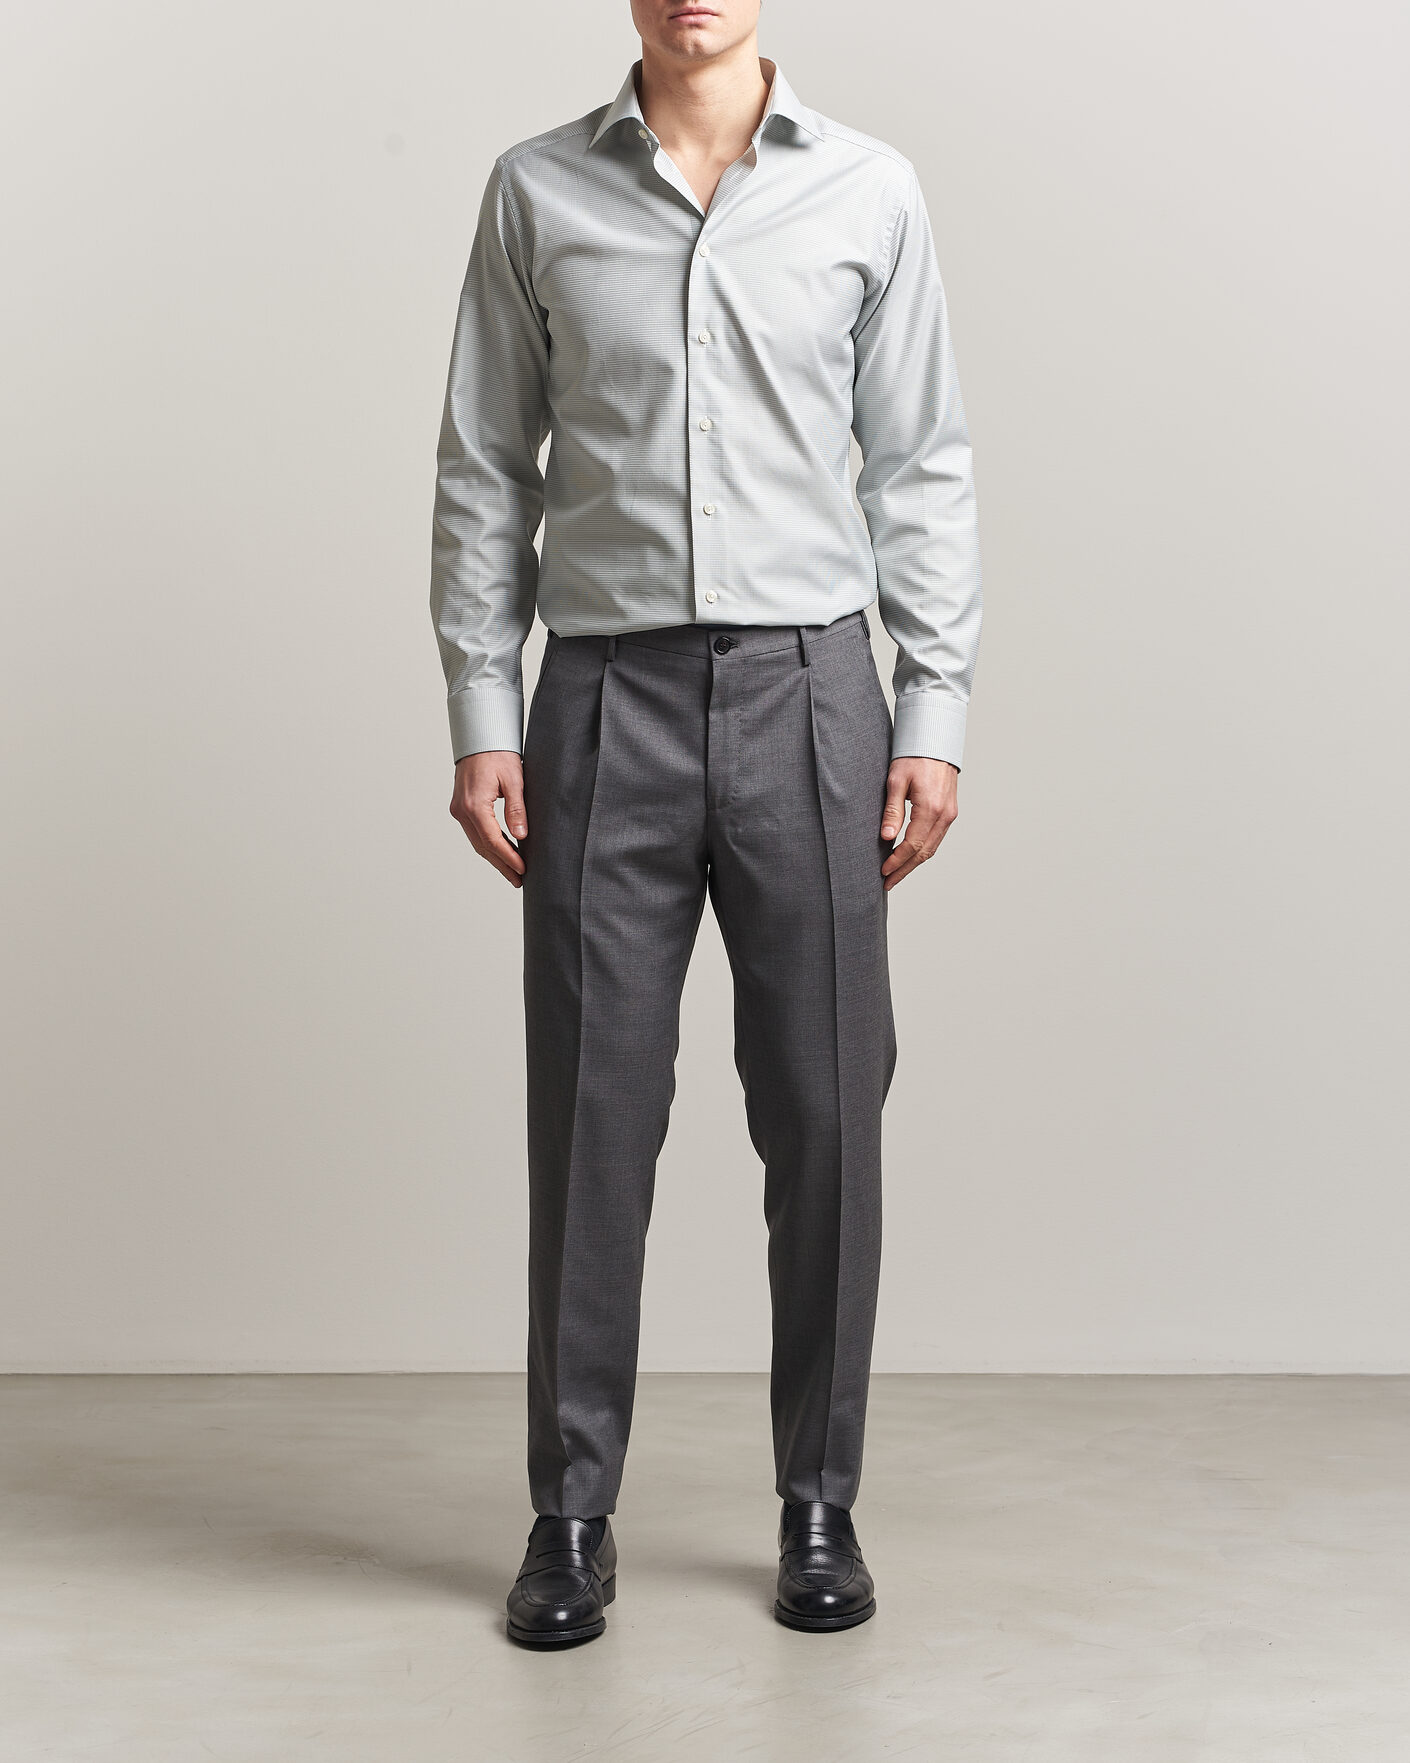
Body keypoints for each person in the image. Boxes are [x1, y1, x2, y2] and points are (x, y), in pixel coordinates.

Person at [429, 0, 982, 1647]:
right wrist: (482, 708)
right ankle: (568, 1514)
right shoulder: (536, 189)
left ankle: (820, 1501)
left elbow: (919, 464)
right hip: (603, 697)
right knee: (590, 1116)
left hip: (813, 693)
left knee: (826, 1111)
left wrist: (931, 710)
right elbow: (484, 465)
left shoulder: (869, 190)